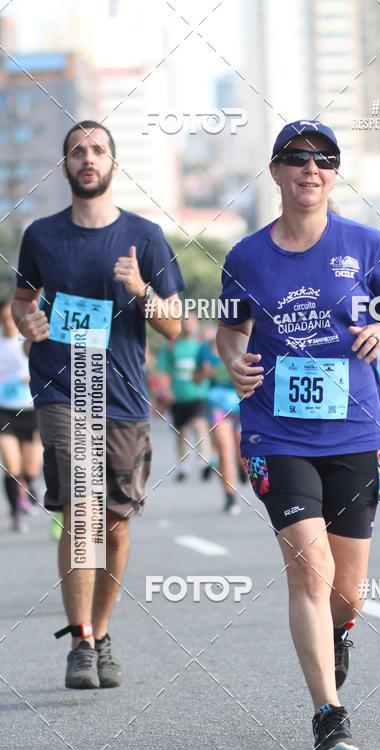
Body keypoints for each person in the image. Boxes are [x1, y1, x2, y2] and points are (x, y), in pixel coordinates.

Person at [216, 120, 380, 750]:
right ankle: (327, 712)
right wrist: (233, 360)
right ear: (276, 172)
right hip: (277, 432)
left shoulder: (365, 246)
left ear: (334, 174)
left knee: (346, 591)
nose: (311, 169)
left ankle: (339, 634)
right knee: (310, 568)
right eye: (297, 159)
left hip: (356, 430)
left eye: (324, 160)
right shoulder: (247, 255)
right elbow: (228, 330)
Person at [11, 120, 184, 689]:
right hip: (63, 388)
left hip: (124, 397)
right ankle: (81, 640)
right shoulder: (40, 236)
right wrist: (28, 321)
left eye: (98, 150)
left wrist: (141, 291)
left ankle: (101, 632)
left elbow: (177, 327)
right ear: (65, 166)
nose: (88, 158)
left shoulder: (146, 236)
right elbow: (20, 302)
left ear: (113, 162)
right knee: (82, 510)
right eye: (77, 151)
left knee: (113, 526)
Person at [0, 301, 42, 533]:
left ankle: (29, 488)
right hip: (4, 411)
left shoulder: (28, 341)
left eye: (11, 319)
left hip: (30, 409)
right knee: (11, 465)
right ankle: (16, 512)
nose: (8, 322)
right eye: (4, 319)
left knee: (31, 468)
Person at [156, 316, 212, 481]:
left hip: (197, 394)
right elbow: (162, 369)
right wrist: (165, 390)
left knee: (199, 425)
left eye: (191, 322)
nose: (188, 325)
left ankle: (205, 462)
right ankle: (183, 466)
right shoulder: (172, 346)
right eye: (185, 322)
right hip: (178, 395)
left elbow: (209, 366)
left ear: (196, 325)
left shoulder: (201, 346)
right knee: (181, 432)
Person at [194, 334, 243, 515]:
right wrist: (202, 373)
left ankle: (242, 467)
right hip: (217, 405)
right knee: (224, 448)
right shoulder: (204, 350)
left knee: (241, 450)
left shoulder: (242, 343)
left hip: (240, 404)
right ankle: (230, 496)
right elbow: (195, 378)